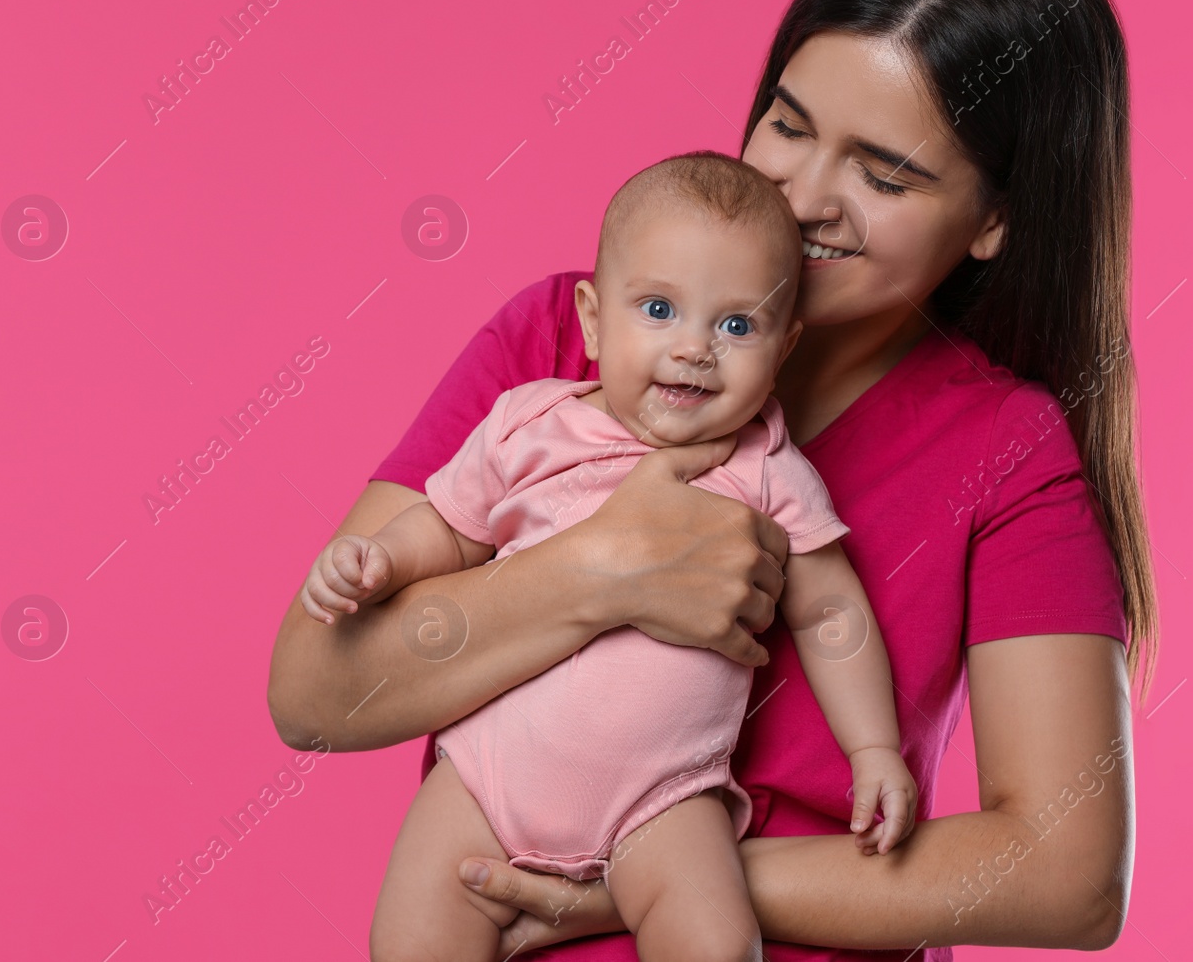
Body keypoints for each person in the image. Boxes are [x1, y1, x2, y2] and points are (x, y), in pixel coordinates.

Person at [267, 0, 1157, 961]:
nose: (801, 195)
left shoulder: (1006, 446)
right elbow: (314, 690)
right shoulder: (563, 334)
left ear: (992, 218)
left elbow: (1066, 876)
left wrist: (655, 878)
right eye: (787, 124)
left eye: (884, 174)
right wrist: (602, 569)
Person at [307, 152, 916, 961]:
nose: (695, 348)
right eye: (659, 308)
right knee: (412, 939)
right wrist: (377, 560)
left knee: (717, 941)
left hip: (662, 801)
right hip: (490, 772)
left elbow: (830, 607)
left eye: (737, 325)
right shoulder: (532, 425)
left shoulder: (768, 469)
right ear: (593, 320)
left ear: (783, 346)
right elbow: (451, 526)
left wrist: (874, 747)